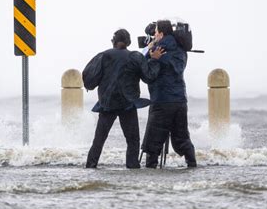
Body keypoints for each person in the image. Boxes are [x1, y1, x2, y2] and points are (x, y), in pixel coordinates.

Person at [83, 29, 164, 169]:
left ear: (113, 42)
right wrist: (154, 60)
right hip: (127, 104)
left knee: (99, 140)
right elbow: (149, 77)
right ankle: (132, 166)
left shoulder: (103, 56)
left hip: (107, 104)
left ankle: (91, 166)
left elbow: (89, 78)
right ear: (129, 42)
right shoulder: (135, 57)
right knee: (132, 140)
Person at [142, 20, 197, 168]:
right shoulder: (181, 49)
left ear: (161, 33)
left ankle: (151, 167)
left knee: (153, 140)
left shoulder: (159, 49)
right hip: (180, 100)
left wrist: (150, 54)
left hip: (162, 100)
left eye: (156, 32)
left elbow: (148, 72)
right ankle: (192, 164)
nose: (154, 34)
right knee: (182, 137)